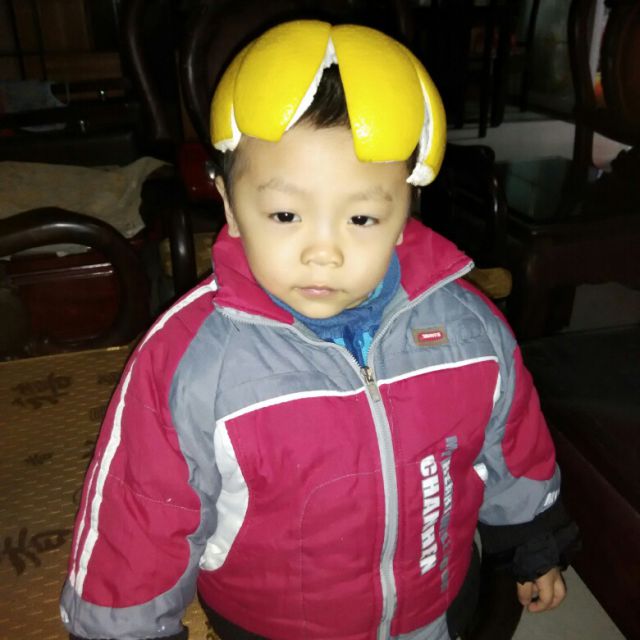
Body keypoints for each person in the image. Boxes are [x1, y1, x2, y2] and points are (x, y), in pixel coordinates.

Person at [60, 20, 577, 640]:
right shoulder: (189, 360)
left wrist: (533, 538)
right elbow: (142, 510)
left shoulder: (469, 331)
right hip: (271, 624)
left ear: (405, 209)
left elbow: (513, 443)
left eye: (361, 217)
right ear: (229, 203)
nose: (323, 252)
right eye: (285, 214)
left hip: (433, 608)